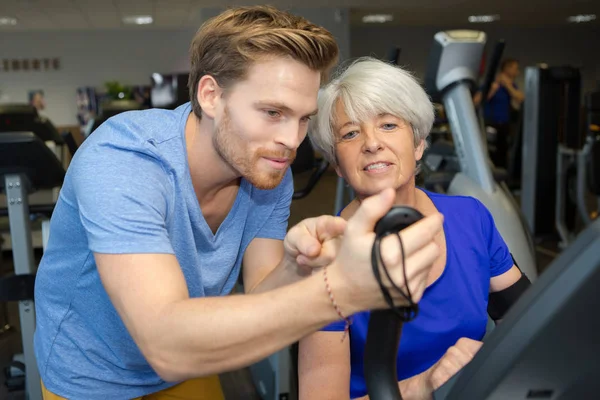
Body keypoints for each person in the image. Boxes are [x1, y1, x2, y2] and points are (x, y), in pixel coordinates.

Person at [33, 7, 444, 400]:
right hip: (94, 368)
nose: (291, 140)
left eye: (303, 118)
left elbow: (262, 293)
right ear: (211, 95)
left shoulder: (265, 167)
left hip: (189, 349)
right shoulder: (125, 160)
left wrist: (297, 266)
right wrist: (339, 292)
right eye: (272, 112)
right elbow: (165, 344)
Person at [298, 57, 532, 400]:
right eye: (350, 133)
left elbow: (525, 319)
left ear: (419, 143)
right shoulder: (324, 256)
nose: (372, 143)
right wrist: (423, 386)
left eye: (388, 125)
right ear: (337, 164)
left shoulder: (470, 217)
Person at [474, 58, 525, 169]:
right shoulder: (491, 84)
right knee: (490, 154)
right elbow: (476, 101)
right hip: (490, 124)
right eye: (515, 69)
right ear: (507, 69)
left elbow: (520, 98)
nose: (518, 72)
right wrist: (492, 89)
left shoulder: (510, 86)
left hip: (504, 125)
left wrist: (507, 85)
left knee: (503, 156)